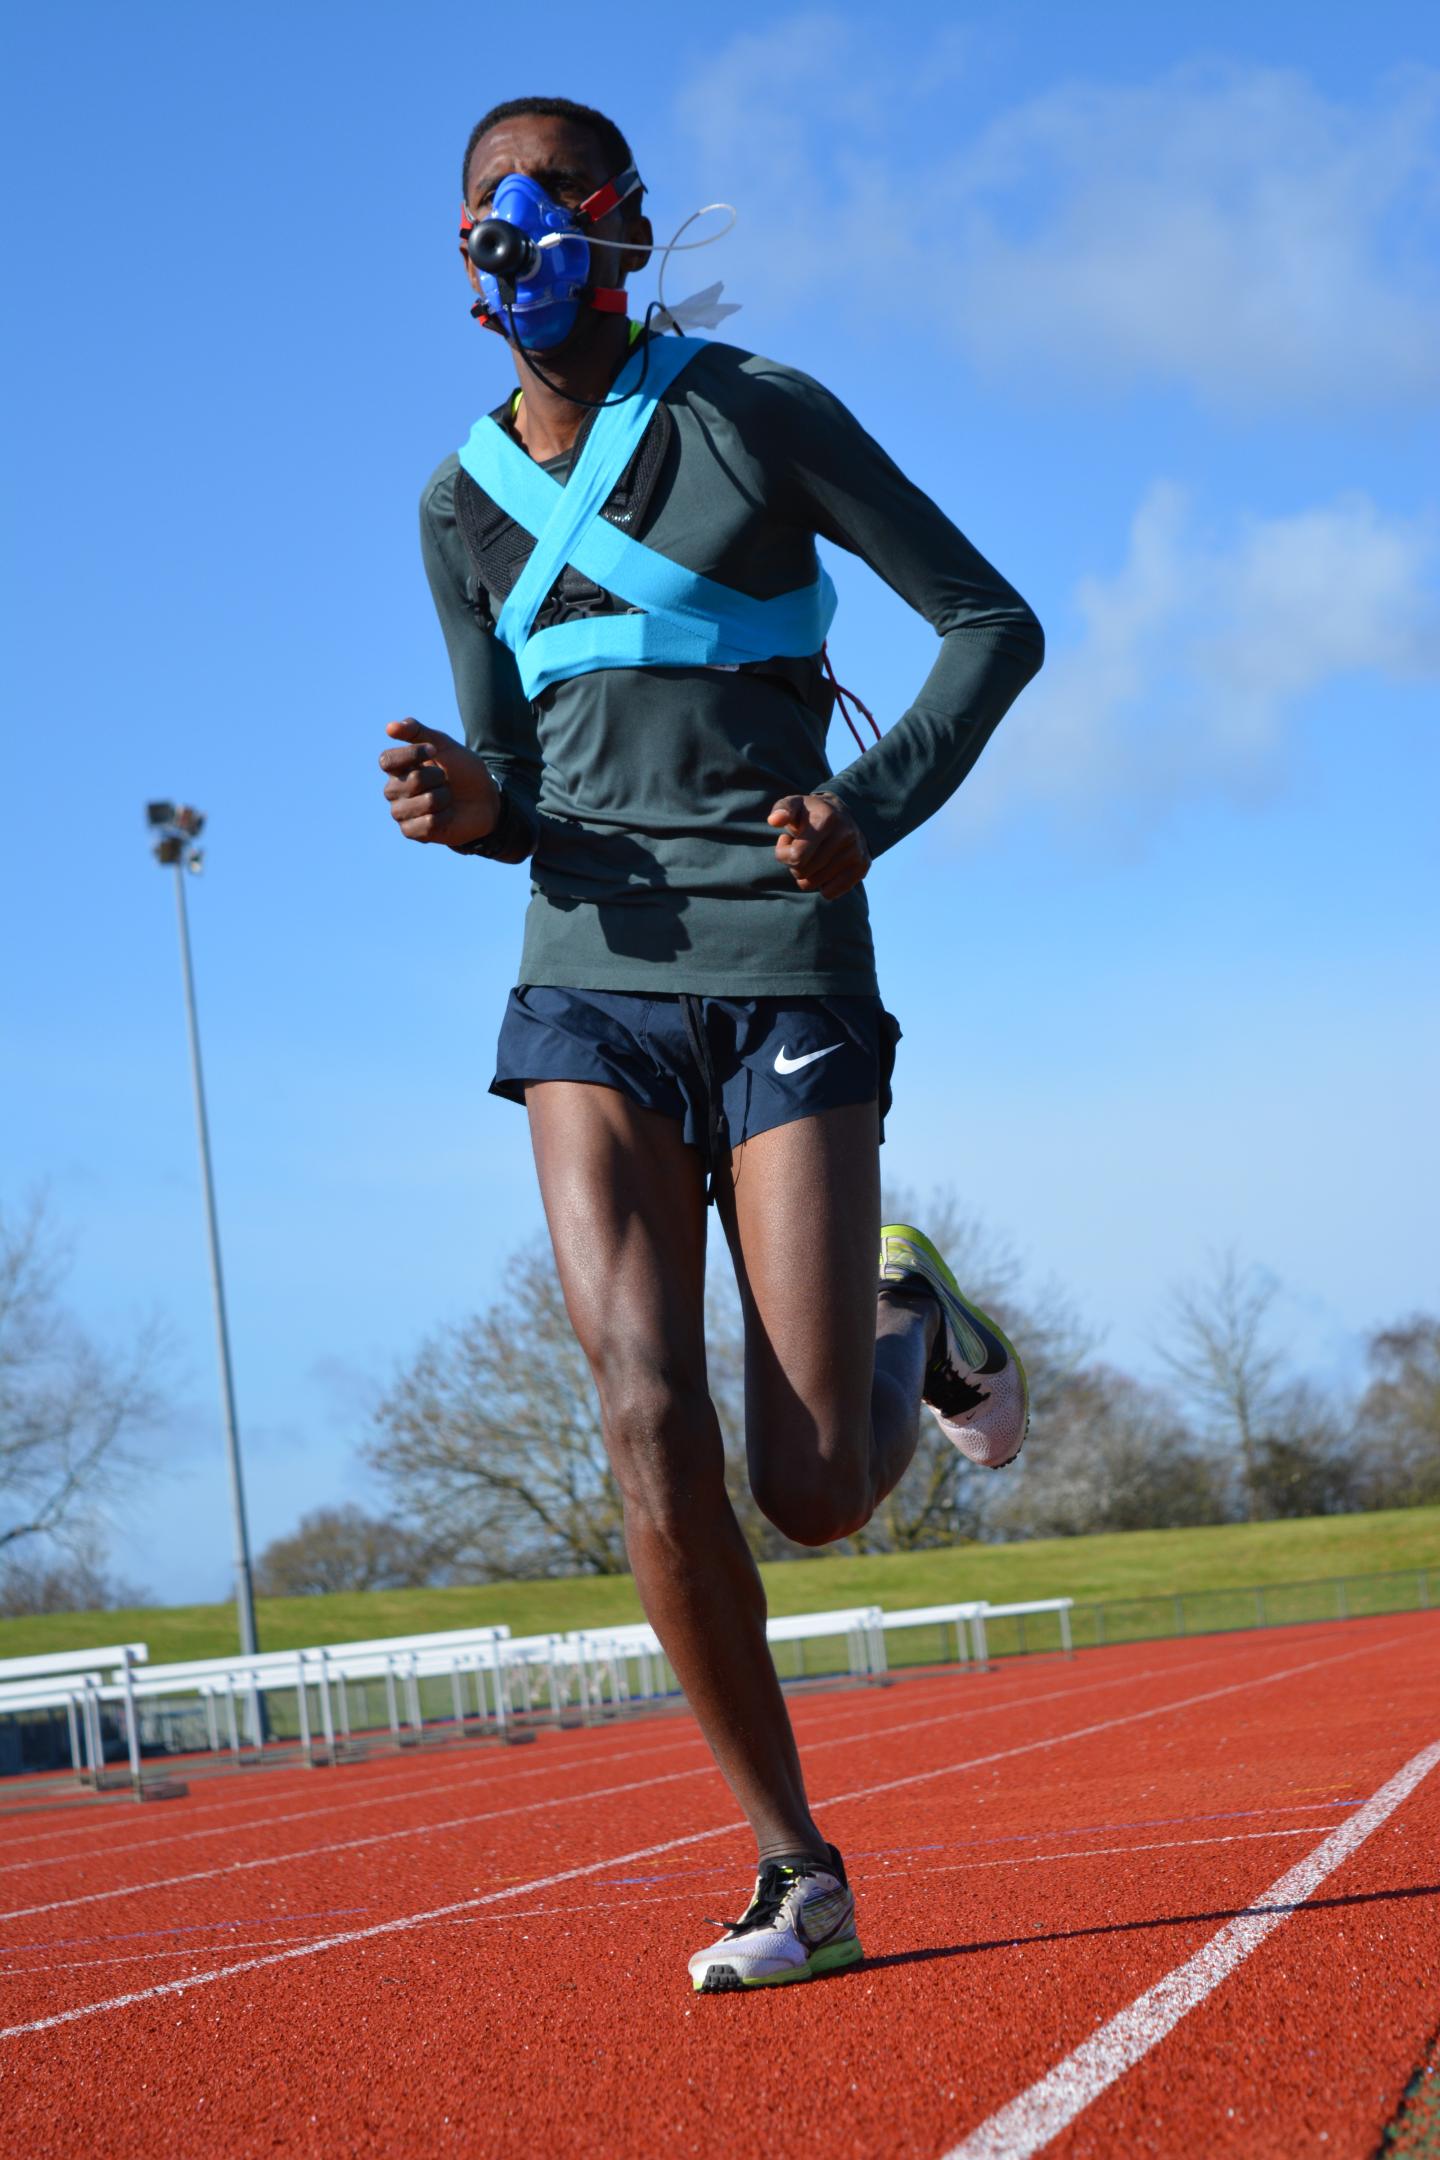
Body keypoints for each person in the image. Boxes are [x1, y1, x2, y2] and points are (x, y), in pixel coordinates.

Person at [379, 95, 1043, 1994]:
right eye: (478, 208)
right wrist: (465, 806)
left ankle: (922, 1318)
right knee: (637, 1409)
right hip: (583, 970)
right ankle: (796, 1870)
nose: (512, 237)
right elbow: (515, 772)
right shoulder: (454, 504)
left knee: (814, 1487)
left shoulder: (755, 410)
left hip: (787, 955)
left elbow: (993, 626)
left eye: (546, 200)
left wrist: (872, 804)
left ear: (621, 221)